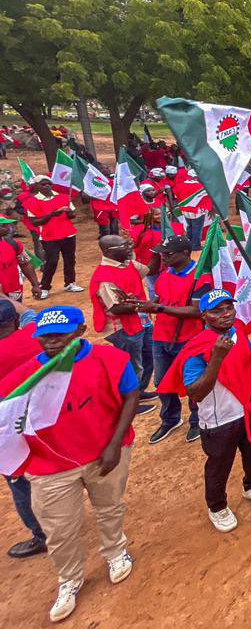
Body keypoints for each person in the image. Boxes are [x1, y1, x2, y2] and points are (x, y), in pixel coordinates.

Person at [0, 306, 139, 623]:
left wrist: (115, 444)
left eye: (59, 336)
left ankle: (116, 552)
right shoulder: (23, 380)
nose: (51, 344)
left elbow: (131, 394)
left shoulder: (110, 360)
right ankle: (69, 580)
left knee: (110, 507)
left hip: (105, 454)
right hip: (50, 468)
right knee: (59, 529)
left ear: (80, 331)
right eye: (44, 338)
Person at [157, 290, 251, 532]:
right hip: (220, 418)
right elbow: (196, 392)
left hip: (248, 407)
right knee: (219, 464)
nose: (225, 315)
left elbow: (244, 357)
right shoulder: (196, 349)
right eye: (216, 311)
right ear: (204, 316)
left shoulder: (238, 330)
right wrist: (217, 357)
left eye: (229, 308)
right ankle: (217, 507)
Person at [137, 235, 204, 444]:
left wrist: (158, 308)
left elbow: (196, 311)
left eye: (168, 253)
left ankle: (197, 420)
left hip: (189, 338)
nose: (162, 257)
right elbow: (158, 299)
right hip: (161, 336)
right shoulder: (165, 275)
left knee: (192, 381)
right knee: (162, 382)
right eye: (161, 253)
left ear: (185, 253)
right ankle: (170, 419)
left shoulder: (200, 277)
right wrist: (143, 304)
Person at [0, 297, 47, 560]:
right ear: (14, 322)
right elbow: (29, 312)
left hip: (10, 426)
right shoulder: (35, 334)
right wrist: (5, 296)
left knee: (18, 479)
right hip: (45, 415)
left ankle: (42, 535)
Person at [88, 235, 157, 414]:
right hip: (122, 328)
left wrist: (157, 251)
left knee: (147, 359)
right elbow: (117, 308)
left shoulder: (129, 263)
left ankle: (138, 392)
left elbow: (150, 270)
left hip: (141, 321)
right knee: (132, 365)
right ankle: (129, 403)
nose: (130, 247)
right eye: (124, 245)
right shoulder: (105, 277)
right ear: (109, 252)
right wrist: (145, 305)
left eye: (128, 243)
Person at [23, 176, 82, 296]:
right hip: (49, 236)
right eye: (43, 184)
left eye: (48, 184)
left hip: (68, 233)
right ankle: (44, 287)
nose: (46, 186)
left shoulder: (64, 197)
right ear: (36, 186)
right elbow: (35, 222)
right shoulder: (32, 202)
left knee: (70, 260)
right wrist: (53, 214)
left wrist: (70, 213)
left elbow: (72, 216)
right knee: (51, 261)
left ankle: (70, 283)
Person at [0, 215, 42, 301]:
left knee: (15, 313)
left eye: (8, 224)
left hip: (13, 290)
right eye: (3, 225)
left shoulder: (14, 244)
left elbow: (26, 264)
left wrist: (35, 285)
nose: (8, 227)